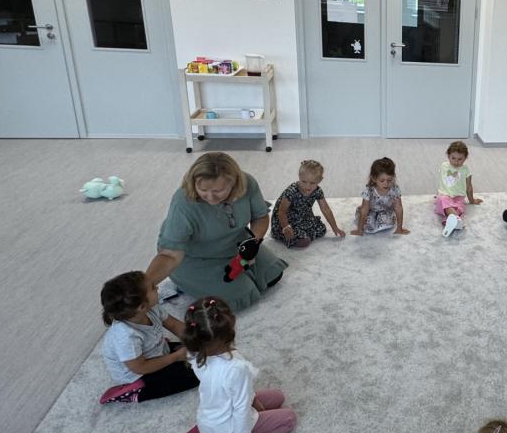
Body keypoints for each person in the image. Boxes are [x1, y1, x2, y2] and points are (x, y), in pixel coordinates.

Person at [172, 296, 297, 433]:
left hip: (210, 417)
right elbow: (240, 414)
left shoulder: (194, 352)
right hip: (229, 426)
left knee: (278, 396)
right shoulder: (236, 369)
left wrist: (254, 402)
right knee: (289, 419)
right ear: (231, 326)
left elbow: (236, 395)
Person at [144, 152, 286, 313]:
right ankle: (185, 280)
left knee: (273, 275)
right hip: (196, 258)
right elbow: (170, 255)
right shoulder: (182, 203)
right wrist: (145, 285)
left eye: (218, 191)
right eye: (202, 189)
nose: (210, 197)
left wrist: (253, 242)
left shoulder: (247, 183)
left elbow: (260, 217)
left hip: (236, 245)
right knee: (243, 295)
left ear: (234, 183)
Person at [97, 271, 197, 405]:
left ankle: (158, 348)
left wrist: (195, 338)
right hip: (138, 372)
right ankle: (135, 391)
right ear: (142, 306)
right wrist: (176, 357)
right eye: (153, 287)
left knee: (198, 351)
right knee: (194, 375)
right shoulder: (126, 336)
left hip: (156, 351)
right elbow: (140, 367)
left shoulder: (152, 308)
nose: (157, 287)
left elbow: (173, 324)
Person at [271, 159, 345, 248]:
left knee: (322, 229)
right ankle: (294, 236)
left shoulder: (317, 191)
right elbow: (281, 212)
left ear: (320, 180)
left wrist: (335, 227)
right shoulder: (291, 191)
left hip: (303, 217)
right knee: (300, 239)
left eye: (312, 183)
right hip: (286, 220)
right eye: (304, 182)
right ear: (299, 176)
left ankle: (304, 234)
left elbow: (326, 209)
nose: (307, 186)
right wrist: (286, 227)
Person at [351, 157, 409, 235]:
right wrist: (359, 230)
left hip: (386, 211)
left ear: (393, 177)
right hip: (370, 211)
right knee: (369, 222)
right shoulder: (369, 191)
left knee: (387, 220)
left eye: (389, 180)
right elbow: (364, 209)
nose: (386, 184)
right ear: (374, 179)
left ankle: (380, 221)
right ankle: (371, 222)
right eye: (382, 181)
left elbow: (398, 208)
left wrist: (399, 228)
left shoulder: (394, 190)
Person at [435, 140, 482, 237]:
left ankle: (450, 220)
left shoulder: (466, 170)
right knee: (443, 200)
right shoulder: (444, 166)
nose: (456, 162)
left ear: (465, 158)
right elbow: (442, 182)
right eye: (453, 158)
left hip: (458, 197)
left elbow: (469, 187)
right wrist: (440, 194)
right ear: (448, 156)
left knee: (460, 208)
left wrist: (472, 200)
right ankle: (456, 219)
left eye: (460, 159)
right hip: (445, 195)